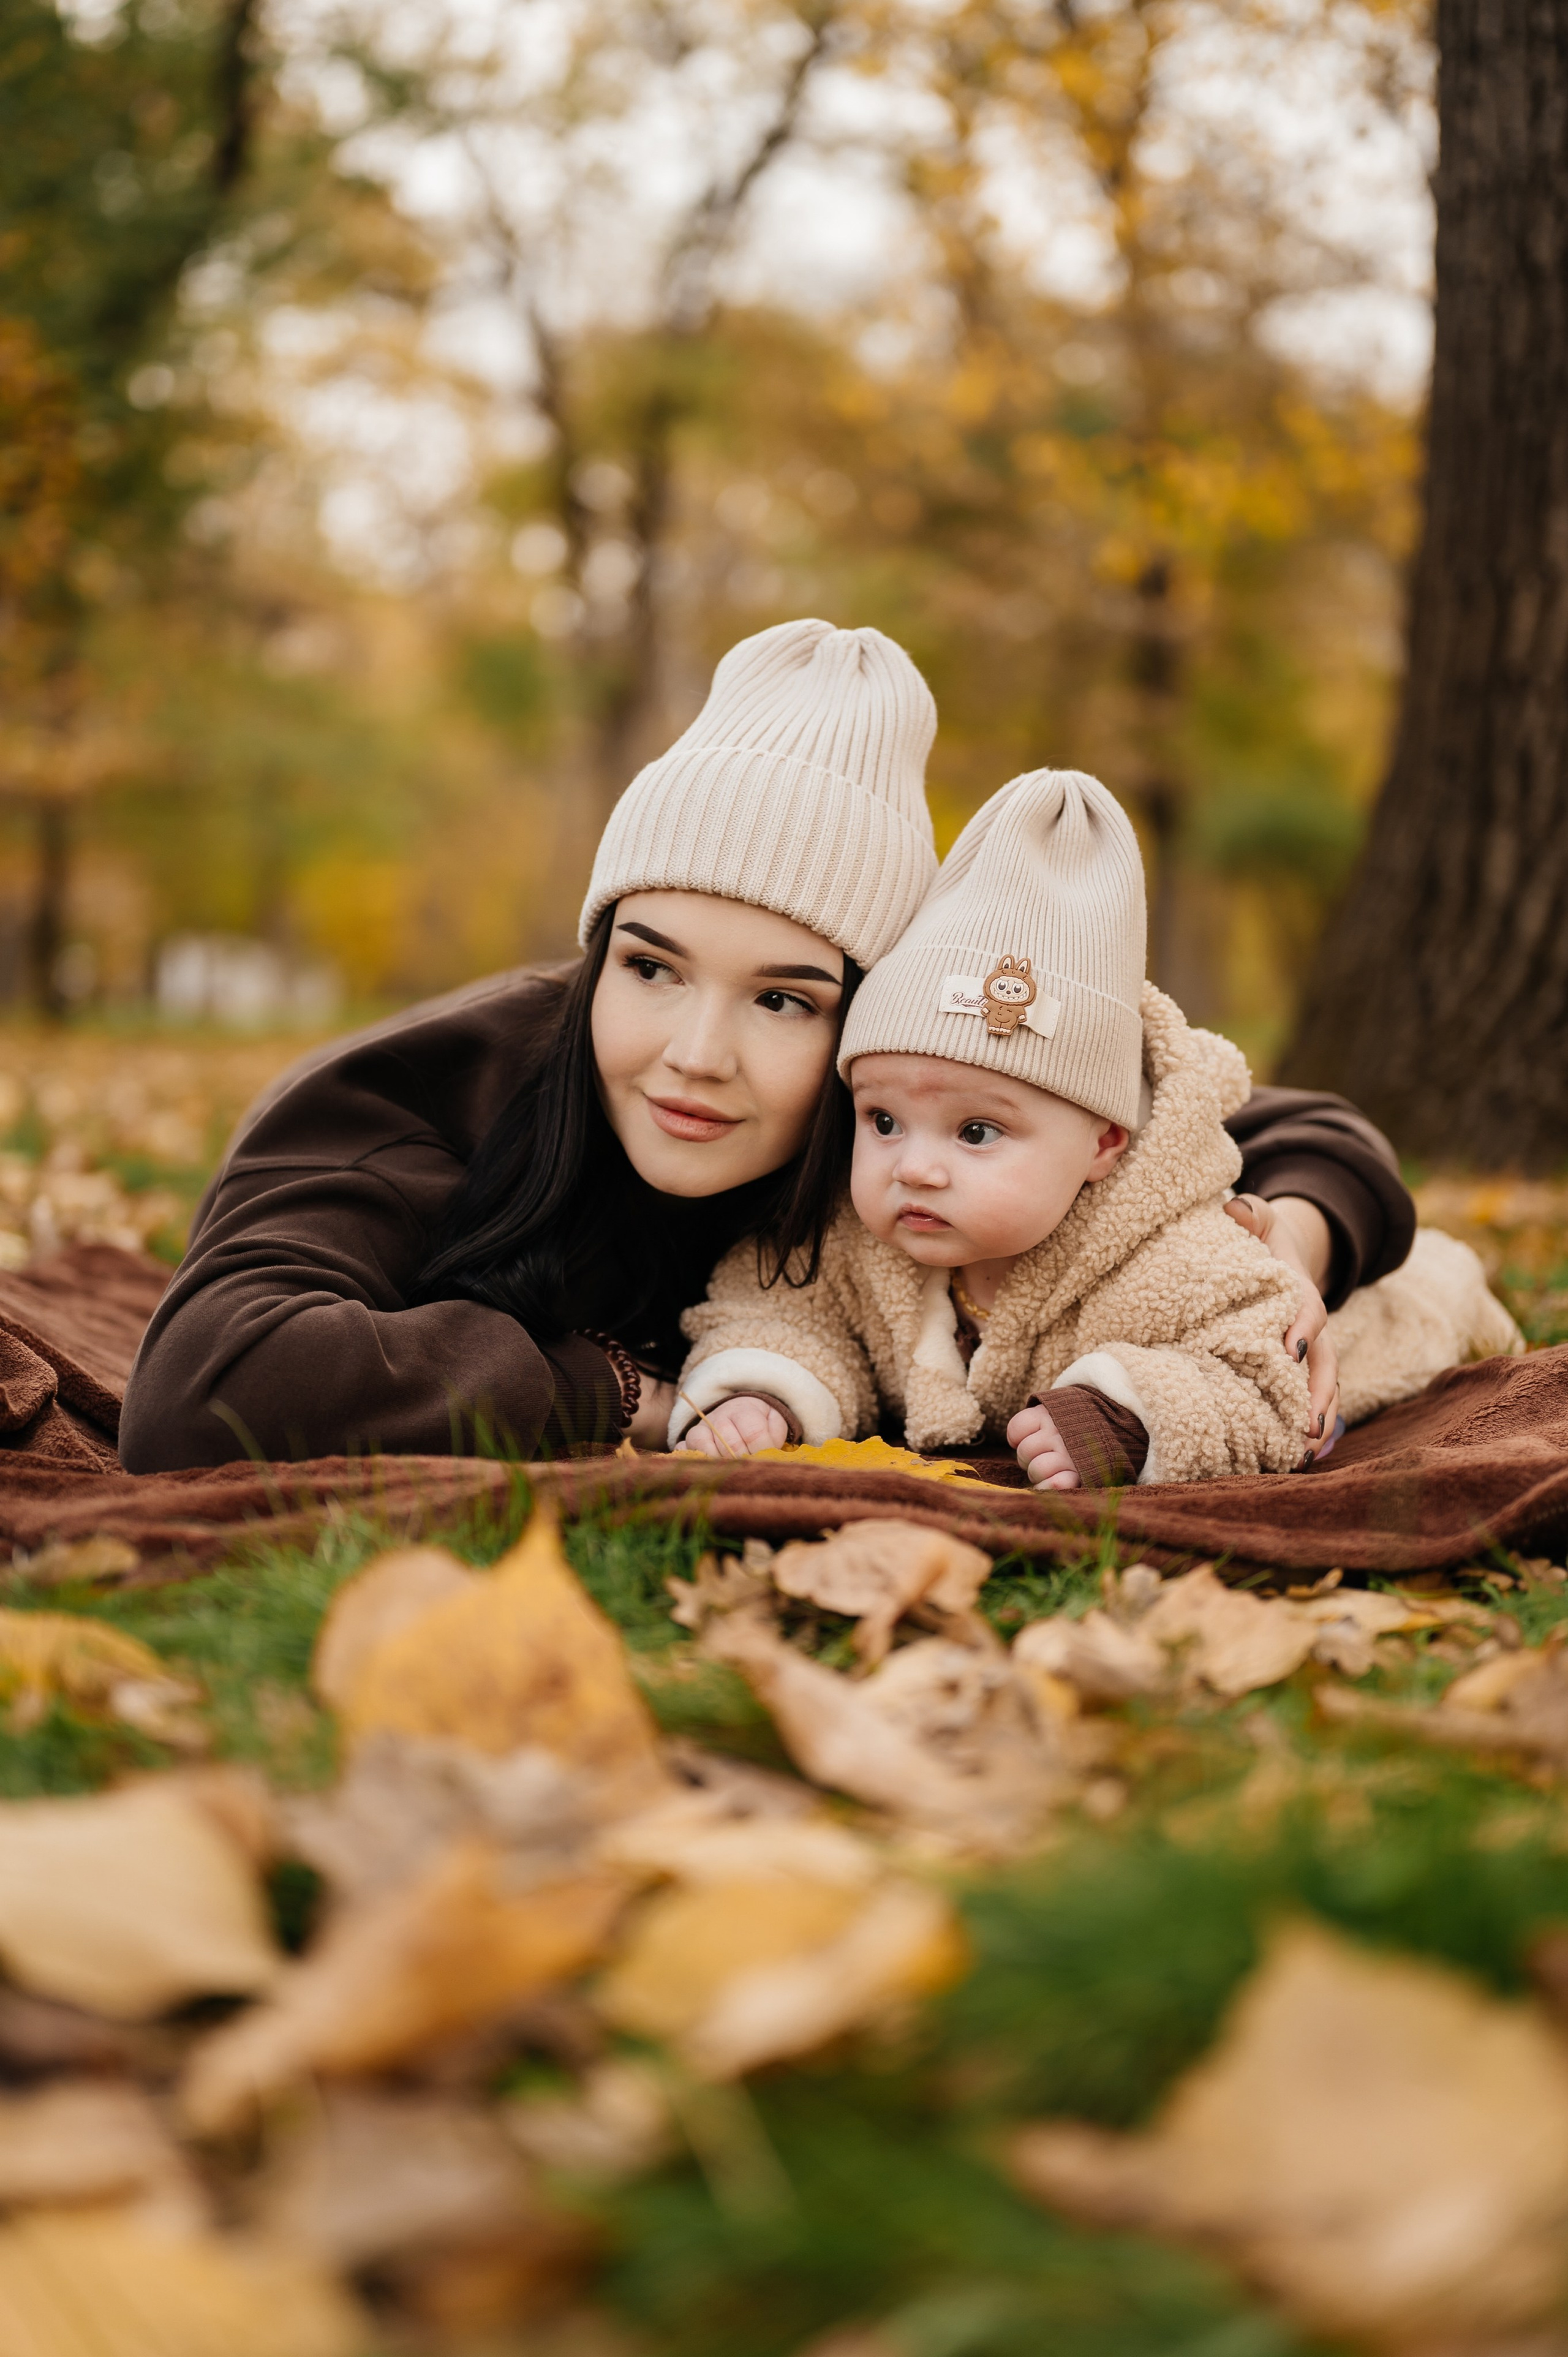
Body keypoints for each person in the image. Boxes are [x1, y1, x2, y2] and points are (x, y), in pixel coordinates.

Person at [120, 620, 1414, 1476]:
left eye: (784, 1000)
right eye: (650, 967)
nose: (695, 1054)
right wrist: (607, 1390)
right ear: (596, 952)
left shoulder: (911, 1105)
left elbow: (1291, 1131)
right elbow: (205, 1381)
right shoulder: (425, 1095)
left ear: (869, 1024)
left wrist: (1280, 1247)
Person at [673, 769, 1516, 1487]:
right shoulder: (857, 1244)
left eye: (976, 1134)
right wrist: (766, 1393)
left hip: (1382, 1318)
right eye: (884, 1120)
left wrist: (1127, 1414)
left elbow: (1262, 1381)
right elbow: (782, 1311)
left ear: (1105, 1144)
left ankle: (1457, 1280)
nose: (916, 1168)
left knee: (1430, 1302)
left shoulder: (1179, 1260)